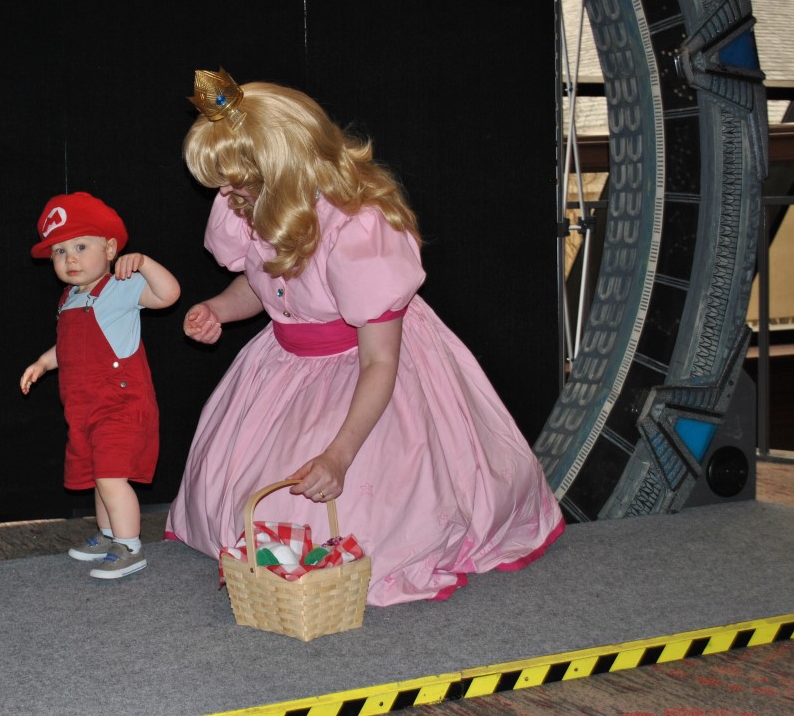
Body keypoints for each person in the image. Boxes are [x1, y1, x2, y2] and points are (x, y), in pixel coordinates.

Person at [164, 68, 565, 606]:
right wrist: (218, 308)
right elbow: (266, 285)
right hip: (286, 371)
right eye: (222, 184)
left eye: (239, 183)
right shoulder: (247, 205)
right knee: (243, 506)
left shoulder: (358, 228)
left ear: (286, 168)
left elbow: (380, 363)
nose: (227, 195)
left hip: (368, 374)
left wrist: (339, 456)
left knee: (333, 529)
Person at [21, 191, 180, 579]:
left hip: (119, 404)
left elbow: (168, 294)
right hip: (83, 407)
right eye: (59, 251)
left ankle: (129, 545)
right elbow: (67, 348)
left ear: (110, 249)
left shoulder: (120, 286)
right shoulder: (68, 299)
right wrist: (43, 362)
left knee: (111, 476)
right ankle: (109, 534)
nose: (70, 258)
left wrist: (144, 263)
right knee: (98, 475)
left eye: (80, 246)